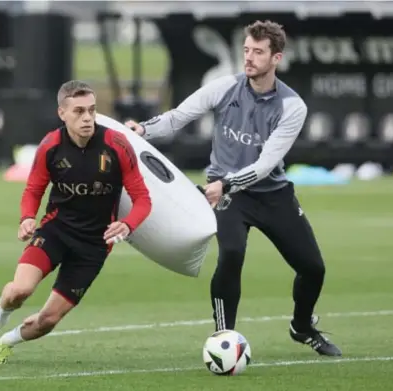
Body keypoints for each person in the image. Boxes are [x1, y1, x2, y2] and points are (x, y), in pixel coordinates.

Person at [125, 20, 341, 357]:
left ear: (276, 58)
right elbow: (180, 116)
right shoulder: (224, 86)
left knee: (313, 268)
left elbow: (265, 165)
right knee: (232, 254)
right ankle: (224, 337)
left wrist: (224, 183)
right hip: (229, 197)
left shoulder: (292, 106)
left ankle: (301, 327)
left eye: (258, 52)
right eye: (246, 50)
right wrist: (143, 130)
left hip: (272, 195)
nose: (249, 58)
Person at [0, 80, 152, 365]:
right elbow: (33, 190)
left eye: (92, 110)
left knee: (48, 320)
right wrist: (27, 218)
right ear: (62, 113)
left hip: (93, 247)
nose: (87, 117)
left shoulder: (116, 145)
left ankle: (7, 340)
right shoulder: (51, 145)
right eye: (78, 111)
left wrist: (127, 224)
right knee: (19, 291)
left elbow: (143, 199)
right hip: (56, 231)